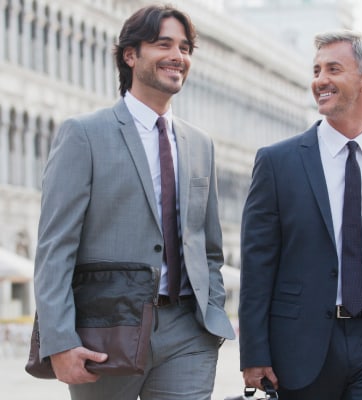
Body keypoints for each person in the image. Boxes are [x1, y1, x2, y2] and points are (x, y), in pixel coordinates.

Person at [33, 5, 234, 400]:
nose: (178, 56)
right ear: (130, 55)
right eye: (164, 44)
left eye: (185, 47)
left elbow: (209, 246)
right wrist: (59, 341)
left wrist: (211, 309)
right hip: (107, 330)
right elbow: (55, 248)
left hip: (188, 332)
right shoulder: (84, 135)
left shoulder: (200, 143)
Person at [239, 30, 362, 400]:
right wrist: (254, 352)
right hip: (300, 348)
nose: (320, 81)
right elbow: (257, 264)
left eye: (333, 69)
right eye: (316, 71)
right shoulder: (277, 162)